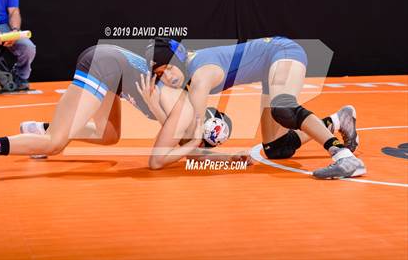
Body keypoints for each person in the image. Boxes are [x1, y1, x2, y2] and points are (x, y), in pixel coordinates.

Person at [0, 44, 246, 170]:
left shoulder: (186, 121)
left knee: (109, 135)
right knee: (55, 144)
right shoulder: (184, 114)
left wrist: (228, 159)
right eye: (202, 144)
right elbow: (157, 161)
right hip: (105, 66)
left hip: (113, 71)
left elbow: (182, 150)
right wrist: (205, 150)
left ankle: (37, 129)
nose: (197, 146)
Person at [144, 37, 366, 179]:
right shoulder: (190, 74)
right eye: (162, 75)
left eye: (170, 68)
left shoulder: (200, 76)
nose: (170, 78)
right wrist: (228, 158)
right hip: (270, 67)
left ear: (179, 59)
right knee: (277, 148)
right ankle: (339, 119)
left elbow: (189, 142)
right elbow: (187, 143)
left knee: (284, 109)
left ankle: (345, 157)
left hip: (283, 51)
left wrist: (211, 149)